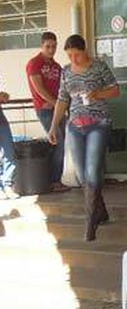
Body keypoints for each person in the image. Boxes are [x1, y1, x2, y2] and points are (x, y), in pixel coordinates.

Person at [49, 34, 120, 241]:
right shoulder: (66, 71)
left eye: (77, 55)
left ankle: (90, 220)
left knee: (92, 169)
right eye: (70, 55)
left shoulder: (99, 66)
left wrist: (97, 94)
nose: (73, 59)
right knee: (82, 175)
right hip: (75, 126)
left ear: (84, 50)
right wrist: (54, 126)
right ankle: (101, 210)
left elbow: (116, 90)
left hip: (99, 123)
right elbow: (63, 99)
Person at [26, 31, 69, 192]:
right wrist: (57, 104)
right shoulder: (34, 63)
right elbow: (39, 89)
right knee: (57, 141)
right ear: (42, 46)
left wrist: (62, 105)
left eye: (54, 46)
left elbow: (62, 89)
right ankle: (53, 181)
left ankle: (54, 180)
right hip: (45, 110)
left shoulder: (56, 66)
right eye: (48, 46)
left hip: (58, 108)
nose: (51, 50)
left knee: (61, 143)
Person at [0, 90, 18, 200]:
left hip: (2, 122)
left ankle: (7, 185)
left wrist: (4, 96)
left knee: (9, 153)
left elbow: (5, 96)